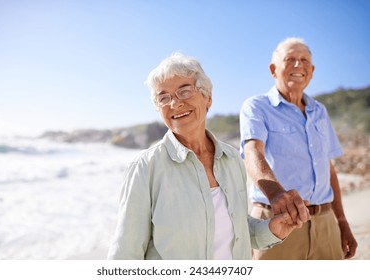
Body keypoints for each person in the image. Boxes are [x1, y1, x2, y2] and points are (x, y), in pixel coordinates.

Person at [108, 53, 309, 260]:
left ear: (208, 97)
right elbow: (125, 253)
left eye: (184, 91)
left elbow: (236, 229)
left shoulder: (231, 160)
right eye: (163, 98)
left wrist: (271, 230)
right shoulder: (145, 167)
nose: (175, 104)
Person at [240, 37, 357, 260]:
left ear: (311, 70)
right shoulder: (257, 106)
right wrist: (276, 194)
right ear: (273, 69)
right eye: (290, 59)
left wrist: (341, 222)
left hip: (325, 223)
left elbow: (328, 168)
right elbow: (253, 152)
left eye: (304, 60)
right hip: (277, 220)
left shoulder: (319, 111)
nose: (298, 65)